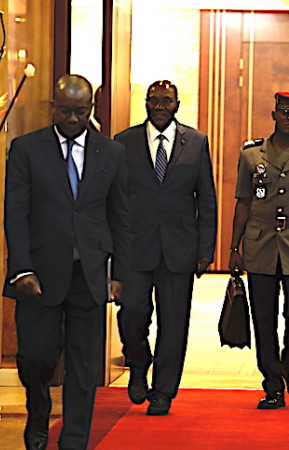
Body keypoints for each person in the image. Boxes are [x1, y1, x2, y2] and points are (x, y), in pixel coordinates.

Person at [4, 74, 129, 450]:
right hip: (38, 273)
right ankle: (38, 410)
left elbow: (120, 216)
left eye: (80, 111)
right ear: (52, 108)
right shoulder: (26, 149)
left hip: (88, 273)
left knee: (83, 364)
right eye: (65, 111)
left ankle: (74, 439)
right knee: (36, 356)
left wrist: (118, 273)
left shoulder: (110, 153)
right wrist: (21, 269)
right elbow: (16, 212)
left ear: (90, 109)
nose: (73, 119)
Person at [115, 80, 217, 415]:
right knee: (131, 314)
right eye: (154, 100)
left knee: (174, 324)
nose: (159, 106)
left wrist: (206, 249)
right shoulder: (124, 142)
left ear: (177, 104)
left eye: (166, 101)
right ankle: (138, 363)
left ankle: (163, 392)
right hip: (134, 247)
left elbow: (207, 199)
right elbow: (114, 201)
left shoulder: (196, 142)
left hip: (179, 248)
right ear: (145, 103)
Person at [228, 92, 289, 409]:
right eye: (286, 113)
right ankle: (272, 384)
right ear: (274, 115)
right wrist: (233, 247)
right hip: (260, 242)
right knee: (263, 319)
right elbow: (243, 202)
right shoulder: (252, 154)